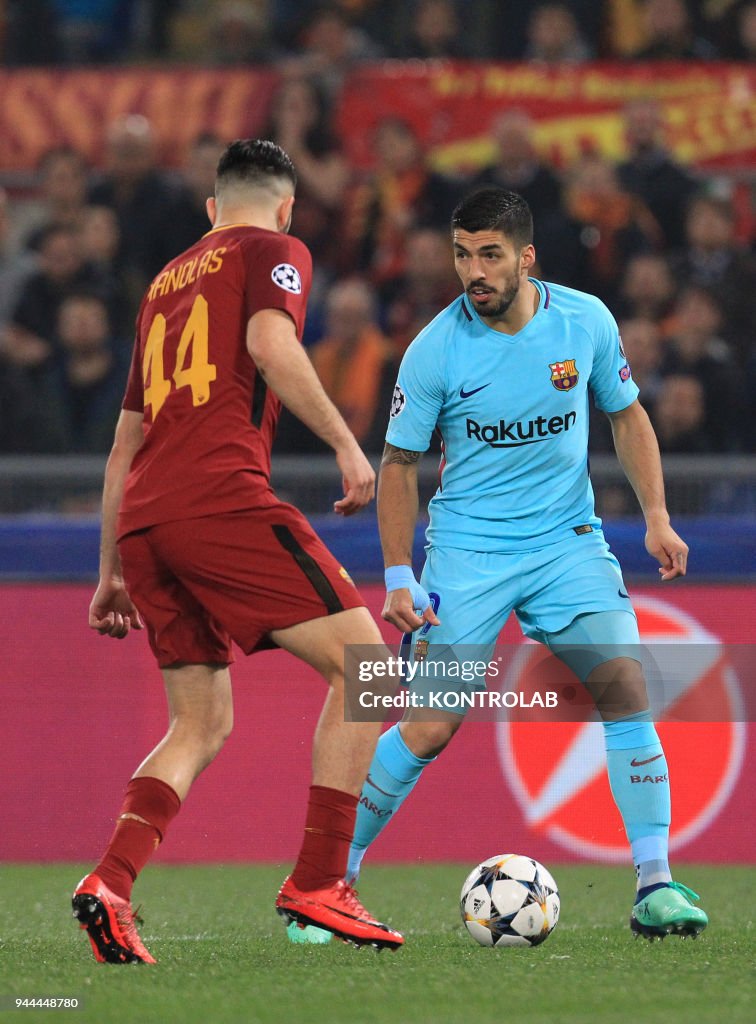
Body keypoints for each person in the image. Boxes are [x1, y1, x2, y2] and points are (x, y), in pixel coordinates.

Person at [333, 187, 708, 942]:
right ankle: (326, 881)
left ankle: (655, 885)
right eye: (463, 254)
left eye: (490, 255)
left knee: (625, 684)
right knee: (431, 726)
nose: (475, 271)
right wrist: (400, 578)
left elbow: (626, 414)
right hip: (468, 555)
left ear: (526, 256)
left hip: (567, 542)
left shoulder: (586, 320)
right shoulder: (435, 348)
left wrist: (658, 516)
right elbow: (400, 464)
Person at [71, 139, 403, 964]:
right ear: (286, 206)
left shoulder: (161, 287)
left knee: (202, 720)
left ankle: (109, 882)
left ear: (210, 207)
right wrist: (346, 445)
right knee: (372, 670)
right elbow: (270, 344)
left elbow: (126, 440)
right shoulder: (274, 250)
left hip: (148, 516)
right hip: (217, 496)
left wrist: (111, 567)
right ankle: (320, 881)